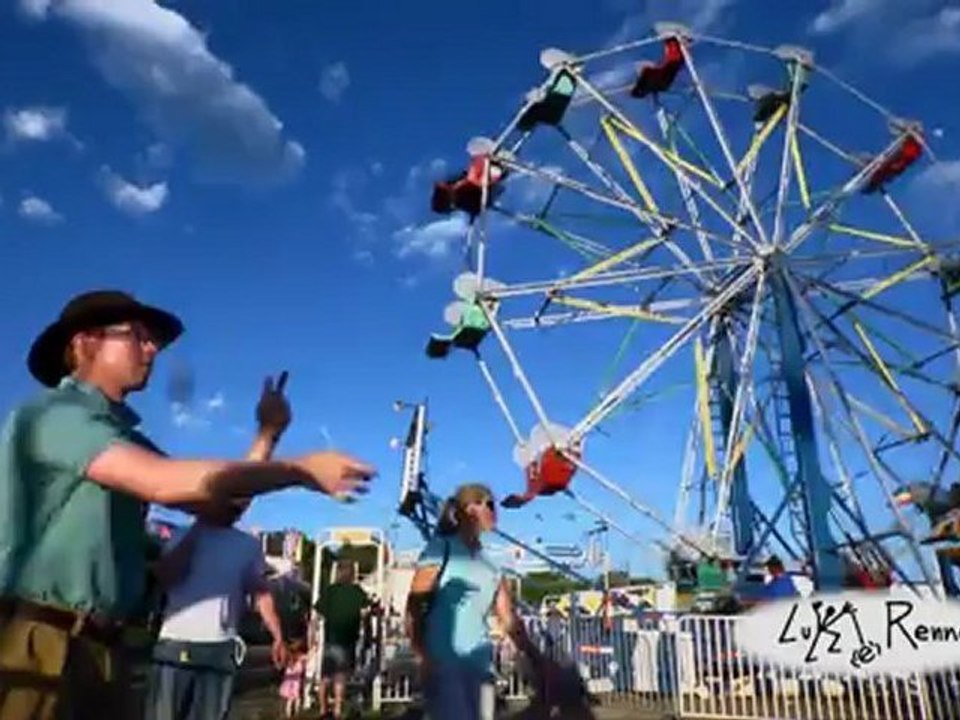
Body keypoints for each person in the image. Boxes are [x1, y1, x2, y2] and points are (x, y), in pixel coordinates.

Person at [0, 290, 375, 720]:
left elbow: (219, 504)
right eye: (138, 336)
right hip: (42, 641)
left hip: (103, 646)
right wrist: (300, 470)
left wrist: (268, 435)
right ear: (85, 343)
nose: (152, 349)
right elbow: (163, 483)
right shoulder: (54, 413)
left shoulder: (123, 440)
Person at [144, 374, 294, 720]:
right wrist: (199, 528)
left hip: (221, 647)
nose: (237, 504)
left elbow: (261, 593)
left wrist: (277, 636)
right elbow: (166, 578)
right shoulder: (181, 535)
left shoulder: (247, 545)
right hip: (176, 642)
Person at [405, 484, 550, 720]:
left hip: (481, 664)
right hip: (444, 661)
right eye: (490, 505)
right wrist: (422, 655)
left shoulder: (493, 565)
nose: (496, 513)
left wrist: (538, 659)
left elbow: (509, 620)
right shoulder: (442, 548)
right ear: (471, 509)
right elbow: (415, 604)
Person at [315, 562, 369, 720]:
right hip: (348, 638)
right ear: (353, 574)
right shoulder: (357, 592)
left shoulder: (330, 591)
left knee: (325, 676)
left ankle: (323, 710)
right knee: (340, 676)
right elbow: (366, 611)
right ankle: (337, 709)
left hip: (330, 638)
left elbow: (318, 612)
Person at [279, 639, 308, 718]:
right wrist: (314, 648)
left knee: (289, 700)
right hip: (296, 682)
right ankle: (297, 713)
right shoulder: (300, 657)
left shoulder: (288, 659)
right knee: (297, 698)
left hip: (287, 682)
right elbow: (309, 656)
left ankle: (288, 714)